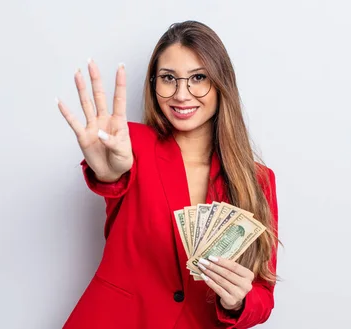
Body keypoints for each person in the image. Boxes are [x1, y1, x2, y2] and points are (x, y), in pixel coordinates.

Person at [56, 20, 279, 329]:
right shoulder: (130, 144)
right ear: (153, 85)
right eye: (168, 78)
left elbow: (264, 295)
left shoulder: (257, 180)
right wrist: (108, 174)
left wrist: (239, 300)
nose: (181, 94)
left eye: (198, 78)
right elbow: (112, 175)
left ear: (221, 83)